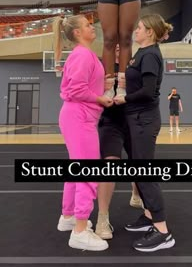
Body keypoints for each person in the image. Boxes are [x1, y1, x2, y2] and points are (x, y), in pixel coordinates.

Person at [114, 14, 175, 252]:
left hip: (144, 120)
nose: (135, 31)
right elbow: (139, 81)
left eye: (139, 28)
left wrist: (124, 98)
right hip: (136, 119)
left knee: (145, 173)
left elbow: (149, 91)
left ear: (150, 32)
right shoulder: (142, 53)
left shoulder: (150, 54)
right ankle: (149, 216)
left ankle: (163, 231)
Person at [53, 14, 113, 251]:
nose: (92, 27)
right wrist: (100, 97)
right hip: (79, 118)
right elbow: (76, 89)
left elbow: (79, 86)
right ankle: (79, 231)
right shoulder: (82, 54)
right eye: (88, 25)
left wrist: (102, 86)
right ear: (77, 32)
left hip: (78, 116)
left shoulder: (85, 55)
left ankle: (68, 217)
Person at [95, 44, 142, 240]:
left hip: (132, 121)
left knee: (139, 163)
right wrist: (101, 89)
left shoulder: (134, 67)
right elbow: (89, 93)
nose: (117, 47)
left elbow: (144, 93)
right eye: (112, 43)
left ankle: (136, 195)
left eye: (120, 44)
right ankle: (102, 217)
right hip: (110, 123)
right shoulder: (100, 66)